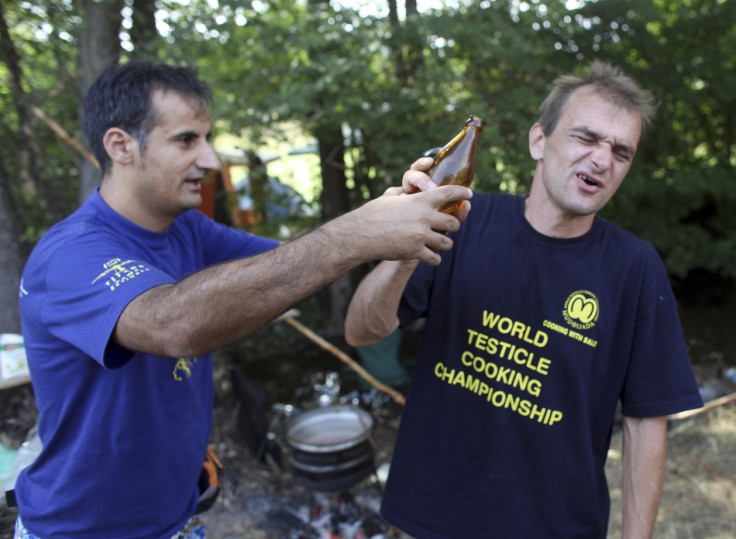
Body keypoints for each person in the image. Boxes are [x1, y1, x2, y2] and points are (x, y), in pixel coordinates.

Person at [10, 61, 472, 539]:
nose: (210, 160)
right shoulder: (70, 255)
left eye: (207, 139)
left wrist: (389, 213)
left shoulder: (186, 227)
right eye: (187, 140)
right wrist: (357, 234)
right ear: (120, 145)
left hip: (178, 520)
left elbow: (293, 266)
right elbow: (172, 325)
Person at [344, 61, 704, 538]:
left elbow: (645, 423)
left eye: (621, 151)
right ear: (539, 141)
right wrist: (402, 250)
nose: (602, 160)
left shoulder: (635, 268)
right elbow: (361, 331)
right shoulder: (462, 220)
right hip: (427, 519)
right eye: (586, 138)